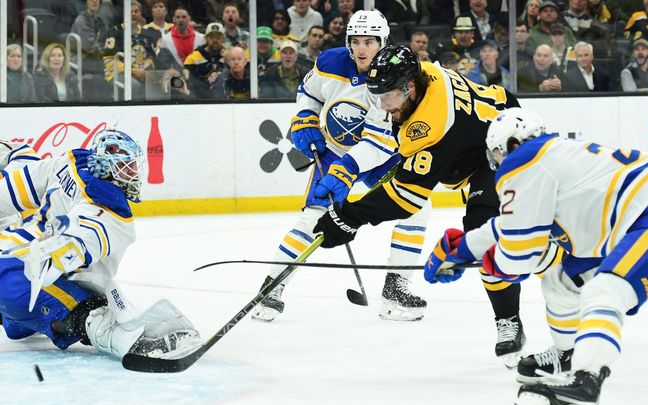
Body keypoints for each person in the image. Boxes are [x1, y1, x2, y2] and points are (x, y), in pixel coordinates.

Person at [423, 107, 648, 404]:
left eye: (497, 154)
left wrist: (489, 264)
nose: (498, 165)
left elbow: (520, 256)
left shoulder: (523, 161)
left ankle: (586, 380)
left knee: (606, 289)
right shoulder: (551, 157)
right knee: (560, 282)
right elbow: (509, 224)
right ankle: (569, 354)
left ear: (512, 145)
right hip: (639, 219)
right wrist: (461, 249)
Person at [312, 45, 529, 367]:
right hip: (485, 128)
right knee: (487, 233)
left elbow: (406, 198)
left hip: (505, 143)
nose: (384, 107)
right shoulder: (420, 73)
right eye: (379, 97)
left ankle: (508, 321)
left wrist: (348, 218)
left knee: (482, 234)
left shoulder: (431, 122)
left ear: (408, 87)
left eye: (389, 98)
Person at [251, 11, 430, 323]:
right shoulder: (331, 62)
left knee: (416, 205)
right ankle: (271, 289)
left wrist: (348, 168)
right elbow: (309, 92)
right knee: (312, 219)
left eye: (370, 42)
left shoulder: (393, 75)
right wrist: (305, 118)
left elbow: (379, 139)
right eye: (357, 41)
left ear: (382, 43)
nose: (362, 49)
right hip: (334, 153)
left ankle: (396, 290)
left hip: (381, 157)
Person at [0, 131, 203, 362]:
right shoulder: (73, 164)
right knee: (13, 312)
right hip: (32, 273)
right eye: (126, 166)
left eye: (134, 166)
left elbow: (87, 238)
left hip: (73, 287)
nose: (133, 174)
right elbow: (23, 184)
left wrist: (59, 252)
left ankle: (104, 327)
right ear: (105, 165)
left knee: (9, 282)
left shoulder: (112, 208)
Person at [184, 22, 227, 99]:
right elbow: (187, 80)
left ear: (223, 39)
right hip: (200, 99)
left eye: (218, 37)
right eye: (211, 37)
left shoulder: (229, 56)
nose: (215, 40)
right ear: (205, 38)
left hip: (223, 100)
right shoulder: (193, 57)